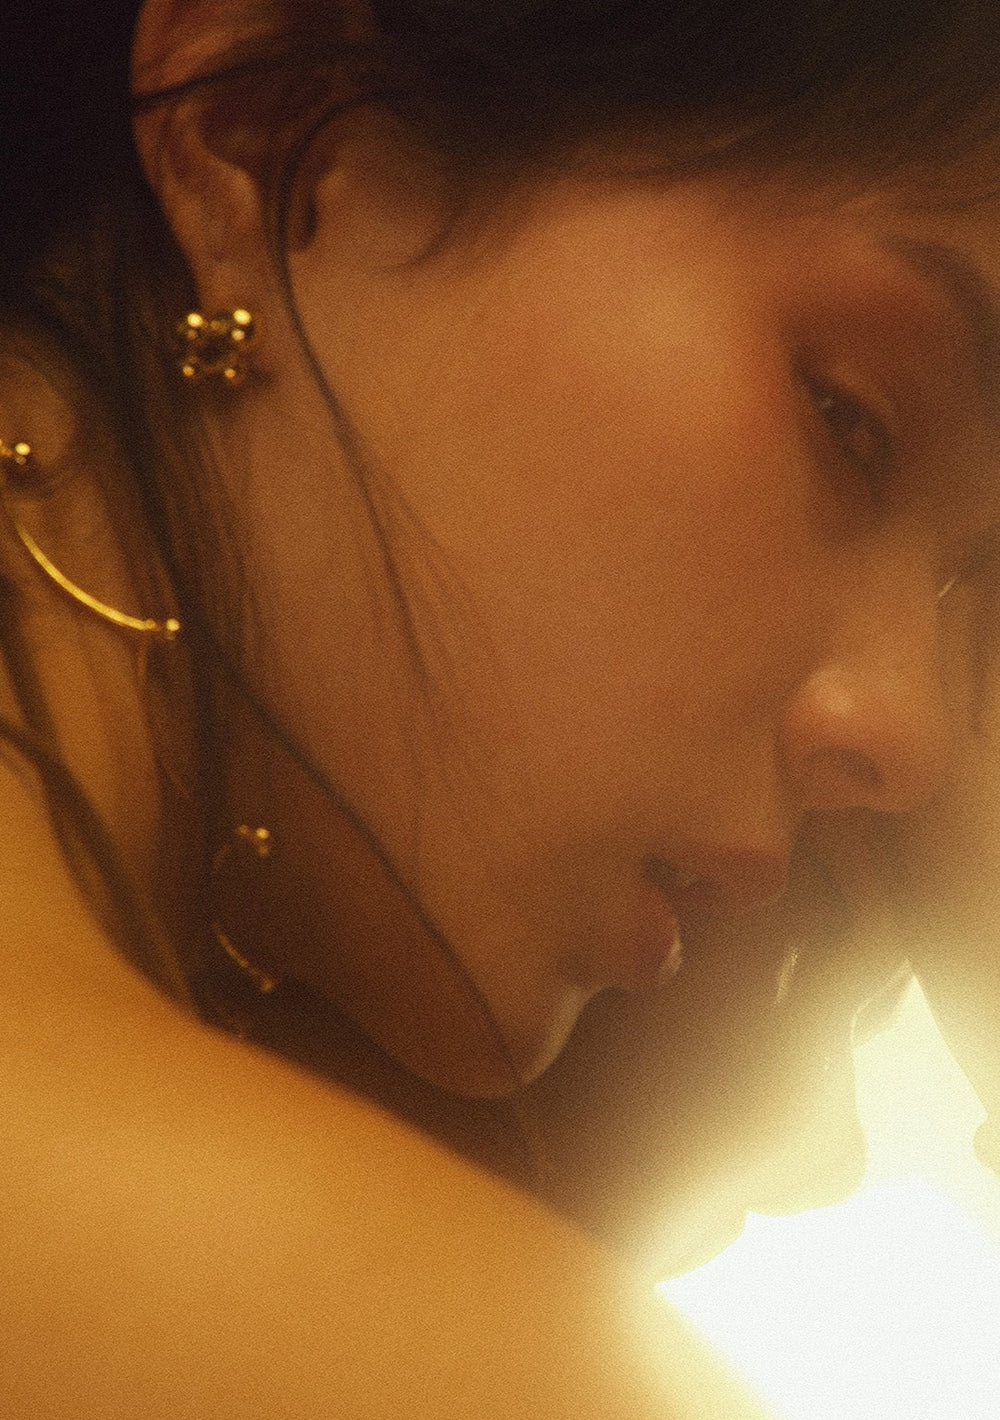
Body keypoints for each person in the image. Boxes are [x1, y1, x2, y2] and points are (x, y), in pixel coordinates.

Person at [3, 0, 1000, 1413]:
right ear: (267, 131)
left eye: (966, 598)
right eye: (852, 419)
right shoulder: (444, 1362)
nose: (907, 741)